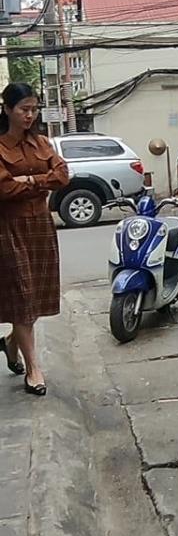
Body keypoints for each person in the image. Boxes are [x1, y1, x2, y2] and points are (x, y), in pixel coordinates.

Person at [0, 83, 70, 397]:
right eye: (23, 109)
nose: (29, 115)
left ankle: (11, 342)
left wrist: (28, 179)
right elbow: (4, 189)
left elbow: (63, 176)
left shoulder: (42, 142)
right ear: (7, 109)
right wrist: (42, 182)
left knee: (38, 295)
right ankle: (33, 369)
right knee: (23, 295)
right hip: (9, 228)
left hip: (41, 225)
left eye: (33, 109)